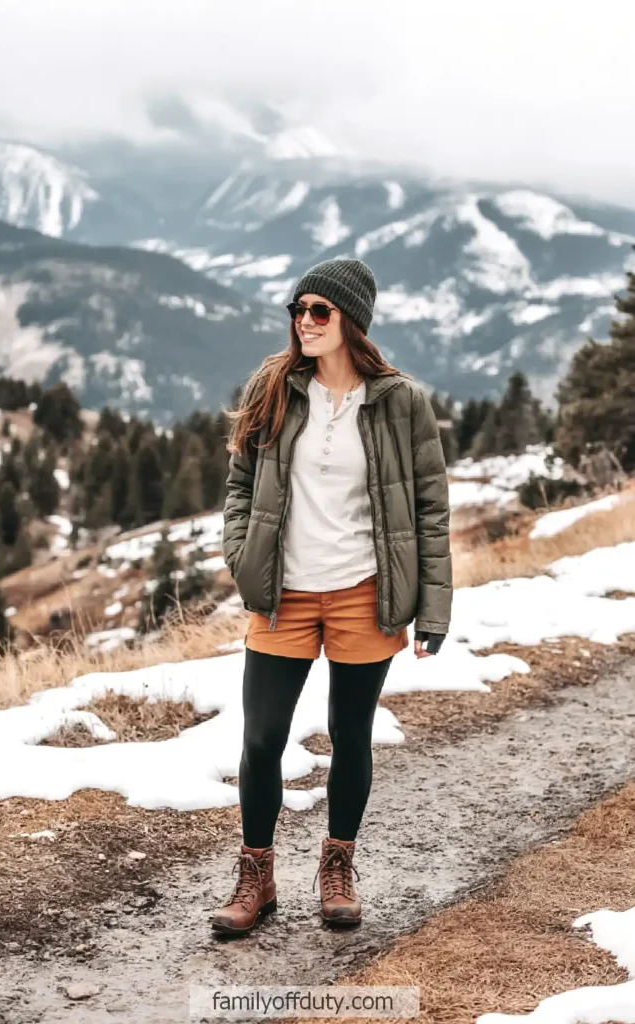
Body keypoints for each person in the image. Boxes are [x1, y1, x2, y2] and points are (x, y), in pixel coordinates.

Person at [212, 258, 452, 935]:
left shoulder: (399, 401)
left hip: (362, 594)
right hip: (281, 596)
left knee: (351, 735)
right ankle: (255, 877)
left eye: (319, 310)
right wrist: (242, 555)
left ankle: (336, 866)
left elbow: (429, 509)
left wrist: (433, 607)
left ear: (351, 321)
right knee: (261, 739)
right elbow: (239, 485)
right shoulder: (275, 388)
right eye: (297, 309)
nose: (304, 321)